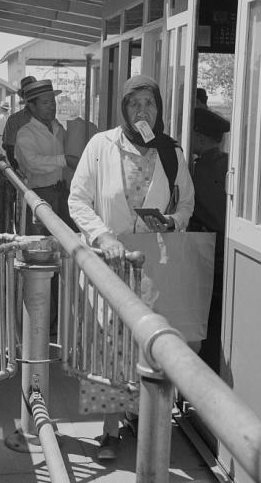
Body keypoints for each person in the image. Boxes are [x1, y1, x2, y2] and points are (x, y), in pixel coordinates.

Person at [68, 74, 195, 460]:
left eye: (150, 104)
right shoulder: (100, 145)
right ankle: (108, 429)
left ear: (159, 109)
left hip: (153, 263)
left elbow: (186, 203)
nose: (143, 111)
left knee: (148, 343)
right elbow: (78, 200)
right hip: (111, 262)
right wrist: (102, 236)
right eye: (135, 104)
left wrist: (172, 222)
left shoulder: (170, 152)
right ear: (123, 108)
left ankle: (140, 417)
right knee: (109, 344)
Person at [187, 106, 230, 373]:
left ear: (200, 139)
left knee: (207, 318)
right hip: (223, 252)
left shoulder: (199, 171)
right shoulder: (225, 164)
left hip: (208, 253)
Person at [14, 79, 78, 235]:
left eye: (53, 102)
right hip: (40, 197)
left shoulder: (58, 128)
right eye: (45, 103)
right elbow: (32, 163)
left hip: (62, 194)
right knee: (42, 246)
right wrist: (65, 160)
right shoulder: (25, 134)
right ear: (32, 106)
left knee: (66, 241)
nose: (52, 106)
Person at [3, 76, 37, 170]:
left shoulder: (49, 119)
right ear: (24, 96)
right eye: (29, 92)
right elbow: (9, 149)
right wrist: (19, 172)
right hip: (23, 172)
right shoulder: (14, 120)